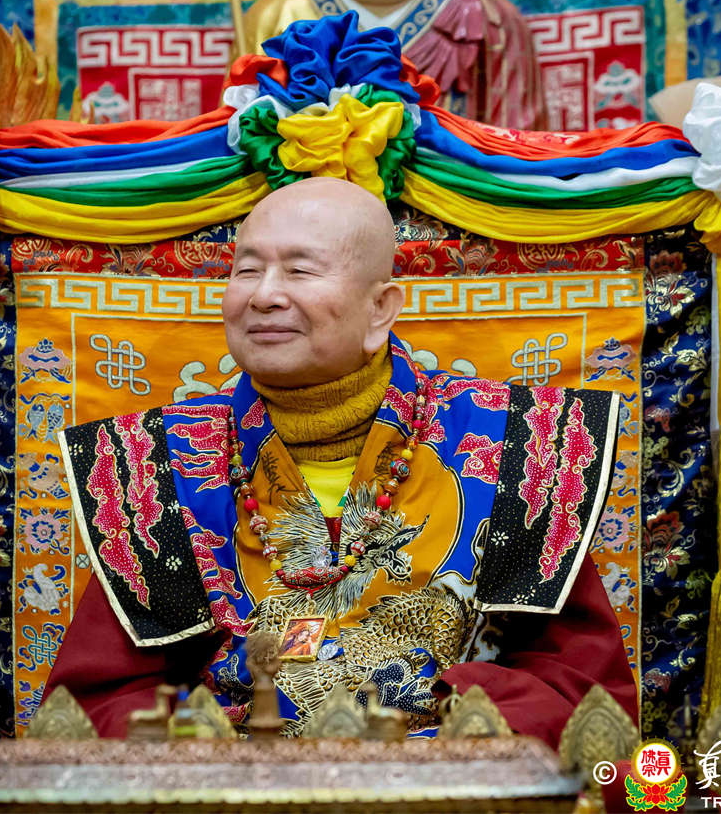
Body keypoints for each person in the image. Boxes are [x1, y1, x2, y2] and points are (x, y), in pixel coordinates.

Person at [48, 177, 635, 742]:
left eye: (299, 270)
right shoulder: (156, 463)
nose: (263, 295)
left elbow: (577, 688)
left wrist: (451, 734)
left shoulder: (518, 443)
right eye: (246, 270)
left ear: (380, 308)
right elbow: (100, 700)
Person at [237, 0, 546, 131]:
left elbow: (521, 145)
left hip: (459, 212)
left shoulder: (487, 18)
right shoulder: (275, 15)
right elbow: (242, 134)